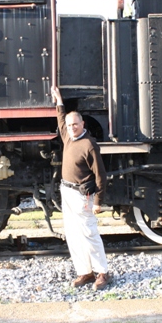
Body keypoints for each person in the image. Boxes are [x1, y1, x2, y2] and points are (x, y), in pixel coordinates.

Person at [50, 86, 111, 290]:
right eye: (69, 125)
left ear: (82, 123)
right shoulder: (67, 136)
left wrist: (98, 202)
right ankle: (84, 271)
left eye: (75, 124)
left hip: (82, 194)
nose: (71, 127)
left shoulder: (89, 144)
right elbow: (61, 119)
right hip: (66, 191)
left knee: (89, 233)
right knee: (73, 234)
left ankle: (103, 272)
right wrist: (59, 100)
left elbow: (100, 175)